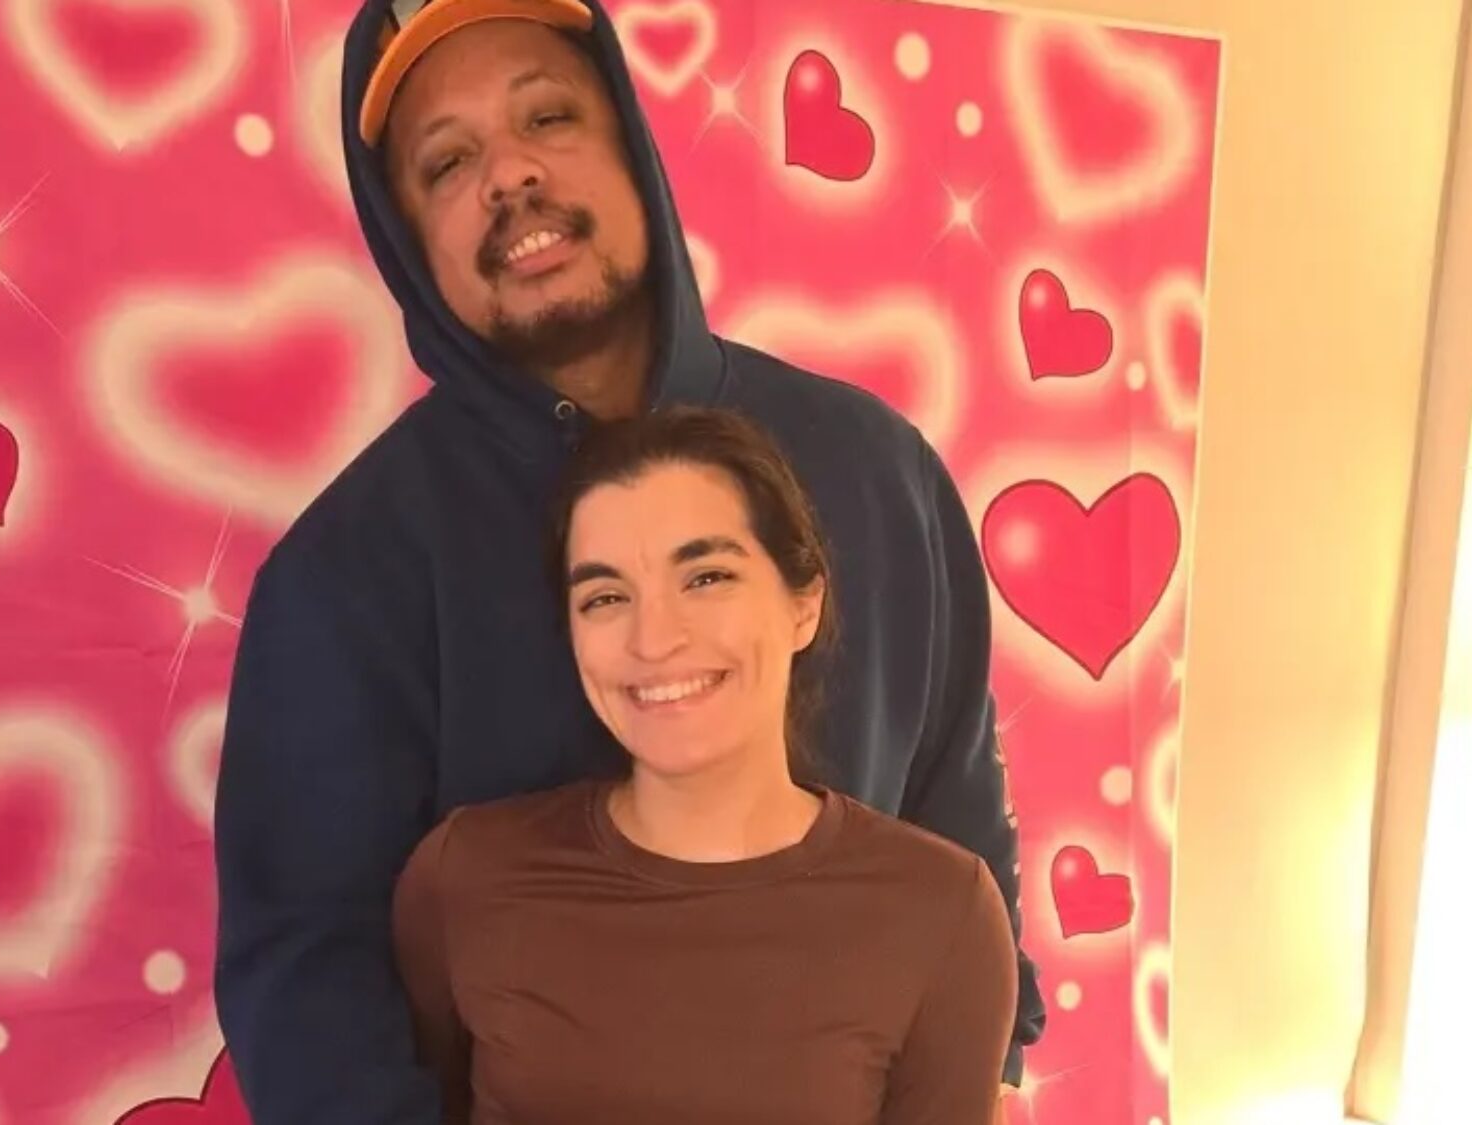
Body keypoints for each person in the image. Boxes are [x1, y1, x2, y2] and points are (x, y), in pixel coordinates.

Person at [212, 0, 1045, 1120]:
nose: (508, 175)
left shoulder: (879, 473)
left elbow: (959, 820)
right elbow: (307, 978)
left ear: (631, 146)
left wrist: (987, 1064)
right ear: (409, 244)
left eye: (547, 117)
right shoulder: (344, 574)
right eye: (447, 162)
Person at [391, 406, 1019, 1125]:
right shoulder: (465, 877)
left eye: (707, 577)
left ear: (804, 604)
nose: (654, 639)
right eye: (605, 597)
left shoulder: (941, 912)